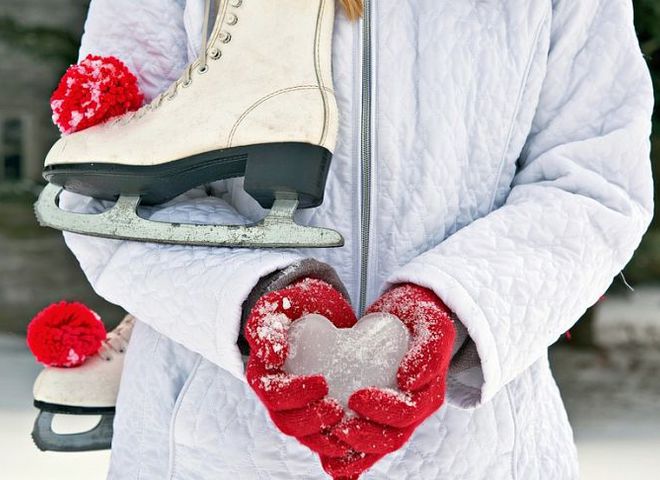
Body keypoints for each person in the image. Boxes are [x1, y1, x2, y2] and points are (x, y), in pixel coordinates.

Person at [58, 0, 654, 478]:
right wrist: (255, 299)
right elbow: (103, 184)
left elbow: (592, 184)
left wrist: (452, 307)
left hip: (486, 456)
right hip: (205, 451)